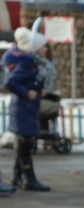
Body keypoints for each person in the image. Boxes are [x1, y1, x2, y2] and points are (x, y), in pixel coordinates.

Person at [3, 26, 51, 191]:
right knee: (25, 145)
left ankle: (16, 177)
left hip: (27, 108)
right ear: (36, 49)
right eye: (43, 46)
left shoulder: (33, 64)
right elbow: (11, 81)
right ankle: (29, 179)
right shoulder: (26, 65)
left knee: (23, 144)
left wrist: (38, 90)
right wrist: (27, 93)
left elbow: (30, 81)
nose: (46, 49)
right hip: (23, 109)